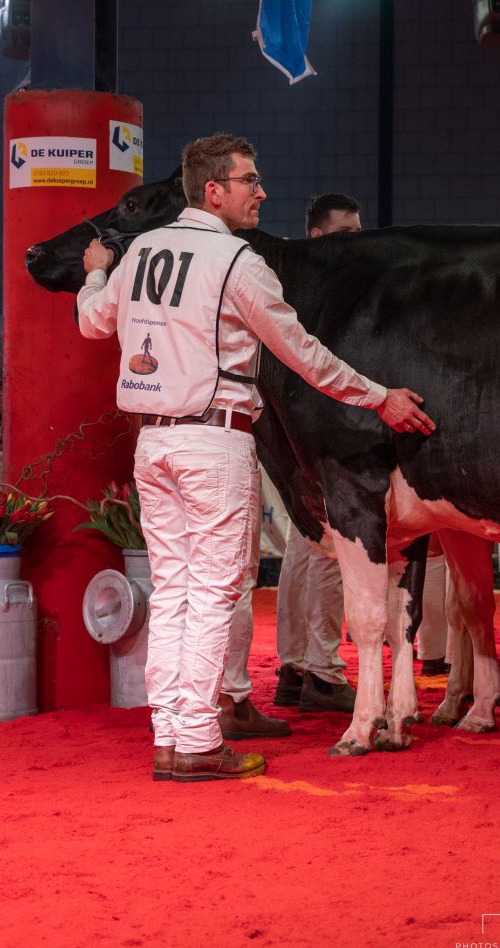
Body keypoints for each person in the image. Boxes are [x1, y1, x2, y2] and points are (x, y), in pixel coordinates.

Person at [75, 133, 434, 783]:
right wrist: (379, 396)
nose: (261, 192)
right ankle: (196, 740)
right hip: (213, 437)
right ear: (213, 190)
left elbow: (93, 320)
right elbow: (305, 355)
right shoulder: (239, 262)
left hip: (153, 441)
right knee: (213, 593)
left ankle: (172, 735)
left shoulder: (142, 252)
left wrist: (97, 269)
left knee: (175, 591)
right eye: (250, 180)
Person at [271, 192, 369, 713]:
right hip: (317, 419)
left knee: (304, 541)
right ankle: (324, 672)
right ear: (316, 237)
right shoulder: (317, 285)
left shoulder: (285, 275)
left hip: (286, 421)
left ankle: (294, 667)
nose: (356, 243)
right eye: (345, 234)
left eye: (358, 233)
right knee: (331, 542)